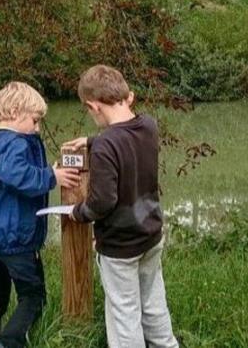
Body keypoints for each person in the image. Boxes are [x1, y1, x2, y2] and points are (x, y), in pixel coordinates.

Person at [64, 65, 179, 348]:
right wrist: (92, 141)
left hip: (120, 246)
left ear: (93, 106)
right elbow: (126, 141)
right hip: (151, 236)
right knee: (153, 302)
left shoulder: (106, 146)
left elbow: (102, 202)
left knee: (124, 314)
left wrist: (77, 212)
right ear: (127, 97)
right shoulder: (149, 126)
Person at [0, 81, 80, 348]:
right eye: (35, 120)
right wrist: (51, 175)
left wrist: (43, 172)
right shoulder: (17, 144)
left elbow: (8, 173)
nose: (37, 128)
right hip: (14, 238)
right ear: (15, 112)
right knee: (33, 296)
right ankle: (9, 343)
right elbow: (15, 174)